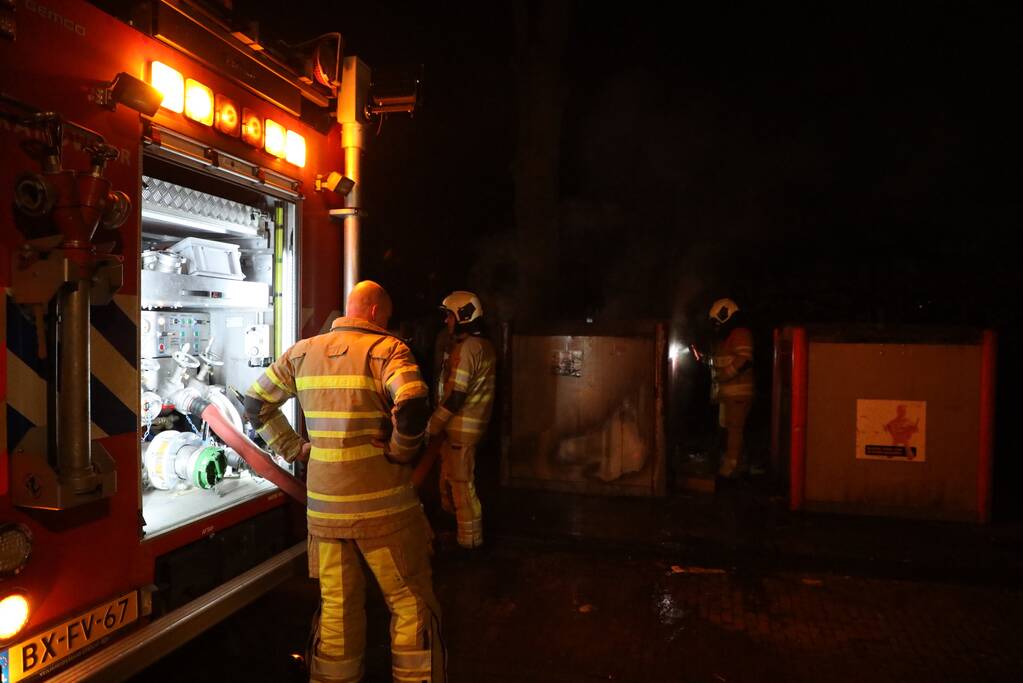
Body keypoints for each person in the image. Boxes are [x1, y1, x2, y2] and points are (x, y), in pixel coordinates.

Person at [244, 280, 444, 683]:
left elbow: (255, 403)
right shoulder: (388, 349)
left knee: (337, 608)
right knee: (409, 603)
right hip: (384, 512)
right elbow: (412, 408)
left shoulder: (301, 353)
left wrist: (294, 447)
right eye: (385, 316)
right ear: (374, 312)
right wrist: (400, 451)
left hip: (326, 512)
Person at [426, 291, 496, 549]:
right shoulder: (482, 346)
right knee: (451, 481)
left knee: (462, 486)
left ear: (463, 316)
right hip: (463, 429)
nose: (446, 321)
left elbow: (456, 396)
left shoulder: (469, 348)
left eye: (449, 316)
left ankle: (469, 543)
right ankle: (456, 533)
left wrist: (432, 426)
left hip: (461, 429)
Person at [705, 298, 754, 478]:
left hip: (738, 392)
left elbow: (744, 360)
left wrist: (723, 375)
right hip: (728, 393)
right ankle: (738, 464)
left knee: (734, 429)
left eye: (716, 322)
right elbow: (720, 361)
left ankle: (731, 467)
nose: (715, 327)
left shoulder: (740, 334)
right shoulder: (726, 338)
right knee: (730, 429)